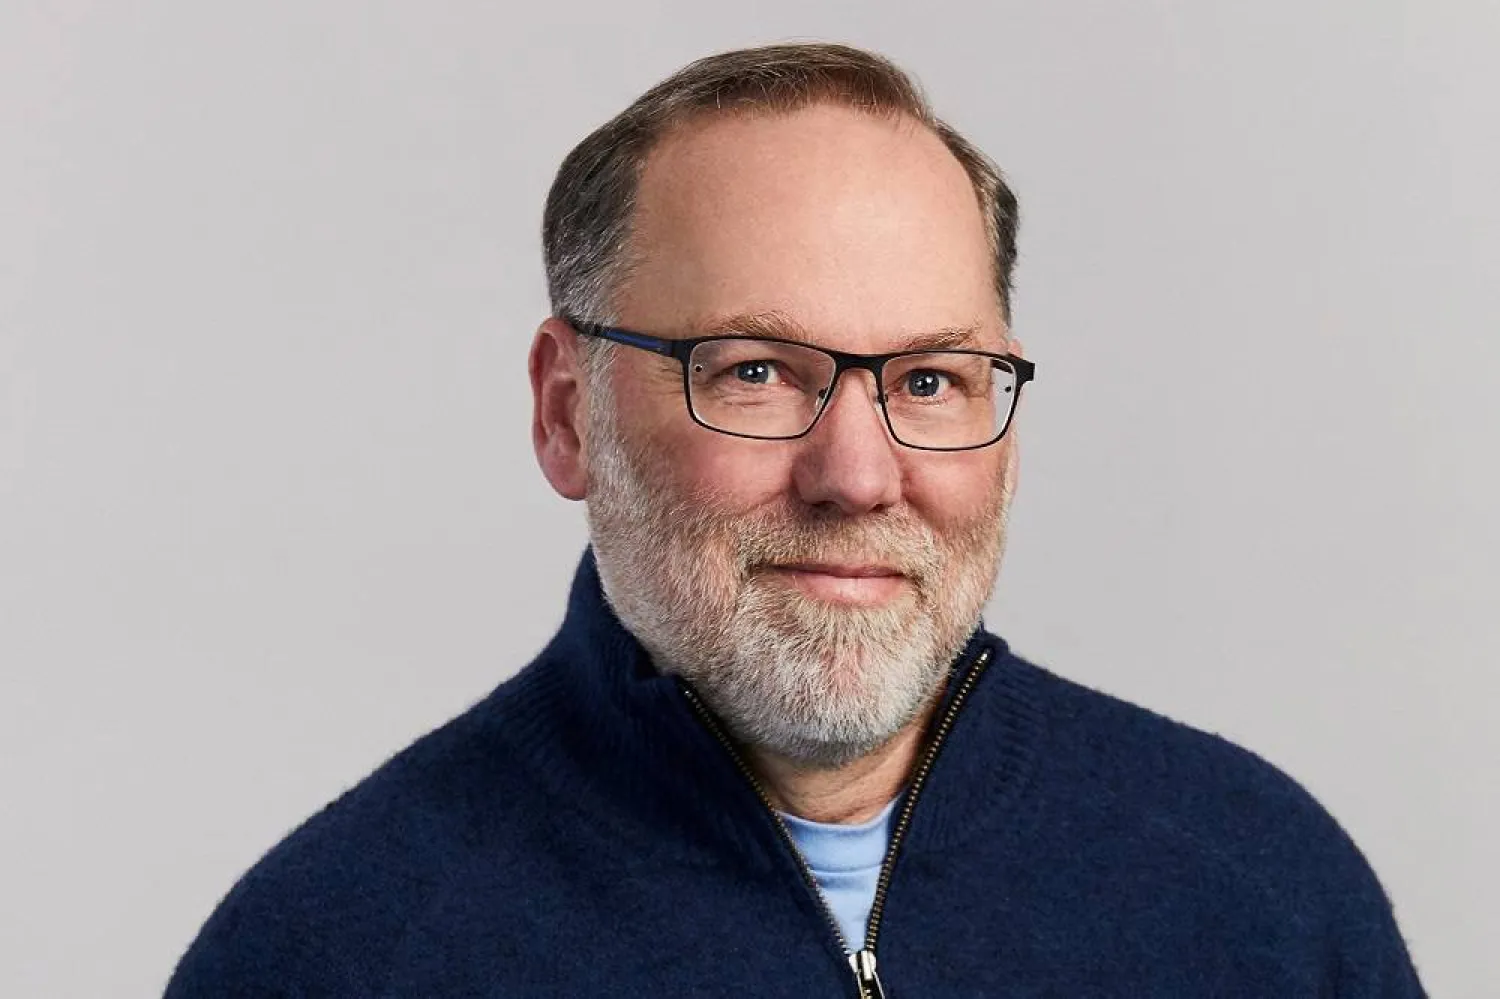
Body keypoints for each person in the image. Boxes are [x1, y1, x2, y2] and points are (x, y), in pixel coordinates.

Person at [166, 43, 1425, 997]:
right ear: (567, 414)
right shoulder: (337, 951)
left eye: (930, 380)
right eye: (755, 371)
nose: (858, 474)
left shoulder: (1262, 896)